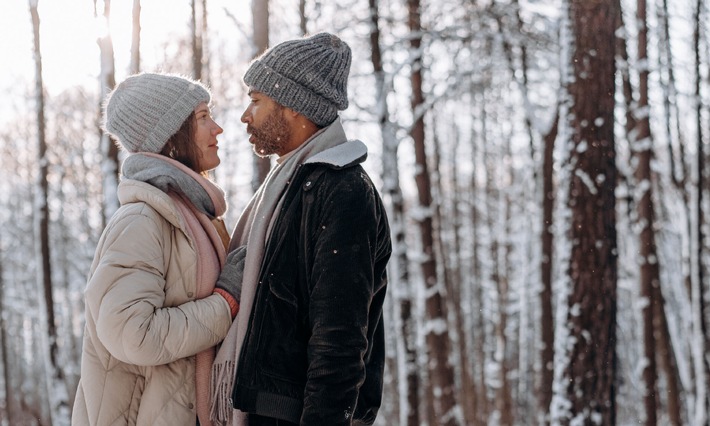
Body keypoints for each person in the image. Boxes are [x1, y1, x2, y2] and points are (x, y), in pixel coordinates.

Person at [210, 33, 391, 426]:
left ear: (293, 106)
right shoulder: (291, 186)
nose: (244, 116)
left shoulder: (342, 192)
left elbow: (339, 341)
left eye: (256, 100)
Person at [72, 72, 246, 426]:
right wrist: (224, 304)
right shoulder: (141, 220)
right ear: (170, 135)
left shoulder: (191, 216)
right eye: (202, 117)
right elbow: (135, 335)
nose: (217, 129)